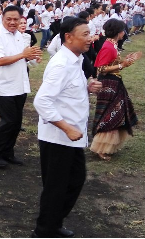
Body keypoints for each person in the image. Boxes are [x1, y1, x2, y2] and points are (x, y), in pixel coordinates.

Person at [32, 17, 102, 238]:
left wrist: (87, 88)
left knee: (74, 181)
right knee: (56, 187)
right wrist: (66, 128)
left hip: (72, 136)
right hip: (58, 137)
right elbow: (41, 101)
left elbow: (67, 93)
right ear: (68, 37)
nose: (90, 38)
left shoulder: (76, 60)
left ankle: (52, 224)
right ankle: (44, 231)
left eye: (89, 33)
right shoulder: (61, 64)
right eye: (84, 34)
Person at [0, 5, 42, 168]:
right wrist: (23, 55)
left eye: (16, 19)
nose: (12, 22)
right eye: (8, 19)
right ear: (2, 19)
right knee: (8, 121)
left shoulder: (19, 36)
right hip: (5, 85)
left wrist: (31, 57)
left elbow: (21, 57)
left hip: (20, 84)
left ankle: (7, 152)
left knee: (16, 122)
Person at [90, 19, 141, 160]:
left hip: (114, 82)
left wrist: (125, 61)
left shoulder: (112, 44)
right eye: (123, 30)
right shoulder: (108, 46)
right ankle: (101, 147)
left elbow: (111, 62)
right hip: (109, 83)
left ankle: (108, 146)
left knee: (116, 112)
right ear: (119, 32)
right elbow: (101, 68)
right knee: (109, 113)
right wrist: (121, 65)